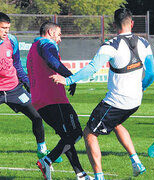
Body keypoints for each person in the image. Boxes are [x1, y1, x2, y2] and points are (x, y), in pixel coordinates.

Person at [51, 8, 154, 179]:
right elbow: (151, 74)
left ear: (114, 25)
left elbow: (92, 68)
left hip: (117, 102)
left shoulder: (111, 45)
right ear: (132, 23)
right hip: (135, 102)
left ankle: (99, 177)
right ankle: (136, 162)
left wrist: (68, 80)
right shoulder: (144, 43)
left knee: (89, 133)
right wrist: (141, 88)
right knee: (115, 124)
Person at [27, 21, 93, 180]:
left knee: (66, 137)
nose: (60, 39)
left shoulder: (33, 48)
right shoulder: (46, 44)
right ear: (50, 32)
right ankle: (47, 160)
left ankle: (80, 174)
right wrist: (71, 77)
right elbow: (52, 61)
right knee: (76, 133)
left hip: (39, 100)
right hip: (54, 99)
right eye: (59, 34)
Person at [0, 12, 61, 162]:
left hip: (15, 89)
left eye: (8, 28)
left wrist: (28, 84)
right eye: (3, 28)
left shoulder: (12, 41)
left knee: (37, 115)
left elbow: (17, 65)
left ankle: (42, 149)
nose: (6, 31)